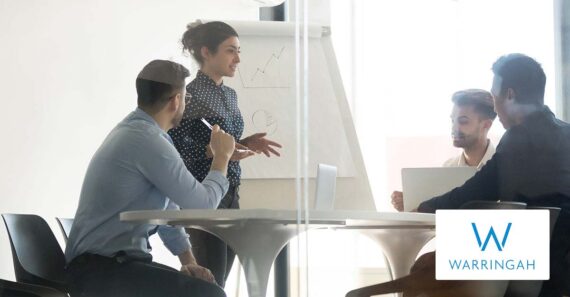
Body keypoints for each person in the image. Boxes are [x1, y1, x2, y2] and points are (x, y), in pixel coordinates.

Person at [65, 60, 236, 297]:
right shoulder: (147, 140)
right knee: (210, 295)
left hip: (108, 265)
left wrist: (189, 261)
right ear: (176, 100)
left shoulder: (140, 133)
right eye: (186, 98)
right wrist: (222, 157)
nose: (185, 104)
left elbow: (170, 211)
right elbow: (203, 205)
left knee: (207, 290)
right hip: (101, 270)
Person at [416, 54, 570, 296]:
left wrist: (422, 207)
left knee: (424, 270)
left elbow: (474, 192)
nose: (495, 108)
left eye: (495, 96)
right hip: (561, 273)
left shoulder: (518, 138)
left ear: (509, 95)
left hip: (523, 273)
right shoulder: (566, 134)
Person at [168, 21, 283, 287]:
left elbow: (219, 140)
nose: (238, 59)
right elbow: (173, 147)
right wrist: (212, 152)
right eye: (231, 51)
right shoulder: (190, 95)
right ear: (207, 52)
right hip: (202, 197)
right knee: (209, 281)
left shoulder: (230, 95)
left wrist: (243, 142)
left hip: (231, 194)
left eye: (238, 51)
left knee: (221, 280)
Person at [391, 89, 497, 211]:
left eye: (463, 121)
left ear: (486, 125)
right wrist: (410, 204)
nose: (454, 128)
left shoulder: (501, 167)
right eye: (453, 120)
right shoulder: (449, 166)